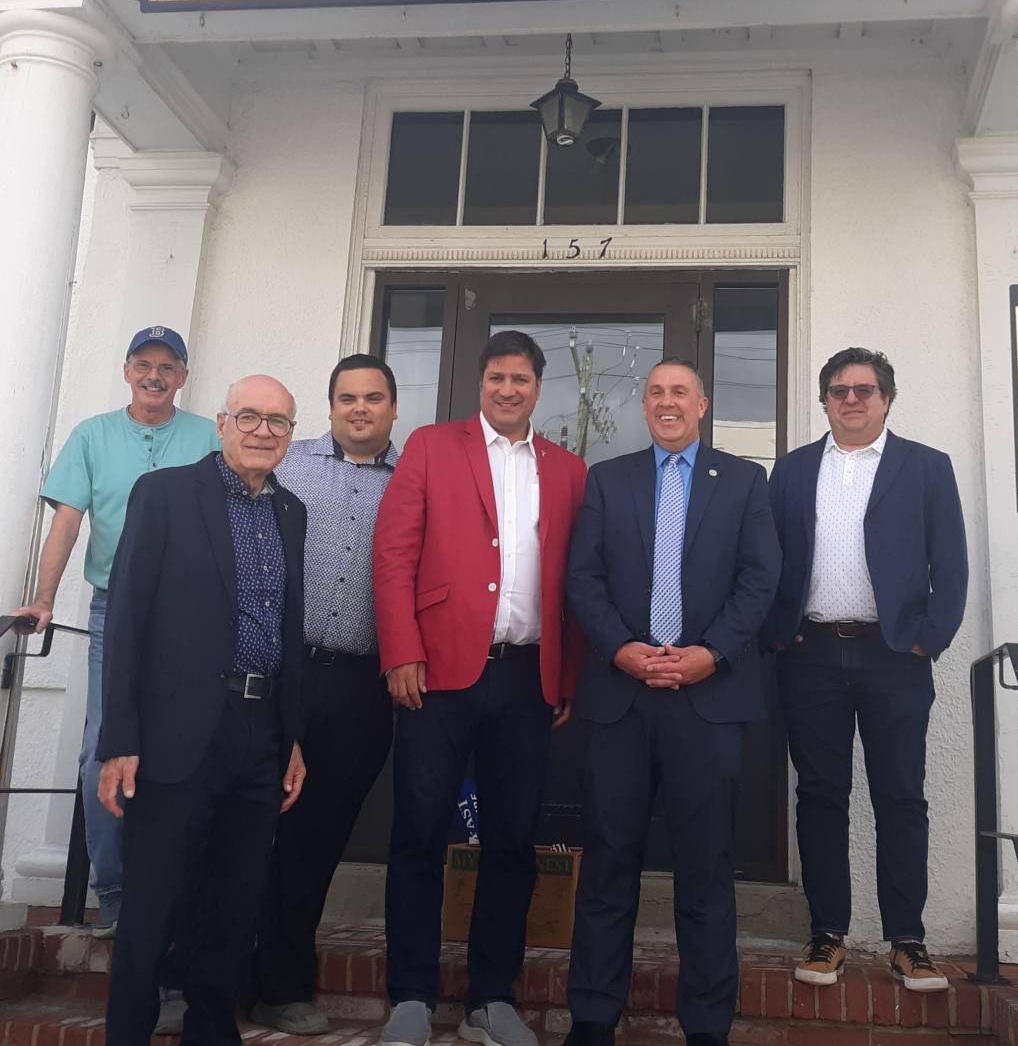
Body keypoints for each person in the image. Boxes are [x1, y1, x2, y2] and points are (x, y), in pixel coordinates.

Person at [372, 330, 587, 1046]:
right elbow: (394, 553)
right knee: (419, 831)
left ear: (538, 387)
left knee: (512, 840)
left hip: (526, 677)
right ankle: (410, 994)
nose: (507, 389)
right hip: (436, 675)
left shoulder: (567, 469)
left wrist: (566, 674)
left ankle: (491, 998)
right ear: (481, 382)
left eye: (521, 379)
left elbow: (576, 581)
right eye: (497, 376)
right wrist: (400, 648)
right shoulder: (433, 447)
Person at [563, 358, 780, 1046]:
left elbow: (760, 578)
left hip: (706, 700)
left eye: (679, 392)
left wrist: (708, 653)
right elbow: (583, 578)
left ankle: (708, 1026)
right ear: (645, 406)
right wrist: (622, 649)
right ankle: (594, 1018)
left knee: (706, 872)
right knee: (606, 865)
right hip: (620, 700)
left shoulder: (746, 482)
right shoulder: (608, 479)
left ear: (703, 405)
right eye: (655, 392)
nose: (666, 402)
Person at [97, 374, 308, 1044]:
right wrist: (119, 738)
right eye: (250, 416)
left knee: (234, 900)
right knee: (153, 904)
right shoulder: (164, 495)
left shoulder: (290, 512)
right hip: (174, 734)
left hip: (259, 731)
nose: (263, 432)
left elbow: (287, 630)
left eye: (278, 422)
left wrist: (291, 736)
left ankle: (211, 1030)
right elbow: (127, 621)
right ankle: (128, 1031)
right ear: (221, 423)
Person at [763, 347, 968, 993]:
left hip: (893, 657)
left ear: (886, 398)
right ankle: (827, 935)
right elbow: (767, 558)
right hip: (812, 653)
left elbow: (951, 564)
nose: (851, 399)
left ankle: (908, 941)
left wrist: (927, 640)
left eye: (865, 389)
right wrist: (779, 632)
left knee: (900, 797)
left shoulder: (927, 468)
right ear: (824, 400)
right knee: (820, 797)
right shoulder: (793, 471)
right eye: (839, 390)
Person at [11, 326, 217, 951]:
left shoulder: (209, 436)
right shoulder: (92, 435)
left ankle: (181, 892)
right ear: (128, 370)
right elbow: (67, 523)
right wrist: (44, 600)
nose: (155, 376)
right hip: (115, 611)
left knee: (191, 748)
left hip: (194, 616)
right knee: (104, 750)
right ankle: (118, 894)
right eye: (144, 364)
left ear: (183, 376)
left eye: (168, 366)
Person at [251, 354, 400, 1035]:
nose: (360, 408)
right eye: (347, 397)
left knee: (315, 841)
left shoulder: (414, 482)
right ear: (330, 405)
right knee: (244, 826)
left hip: (362, 687)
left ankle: (282, 987)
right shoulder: (287, 463)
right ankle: (200, 974)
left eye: (373, 398)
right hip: (278, 673)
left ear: (393, 410)